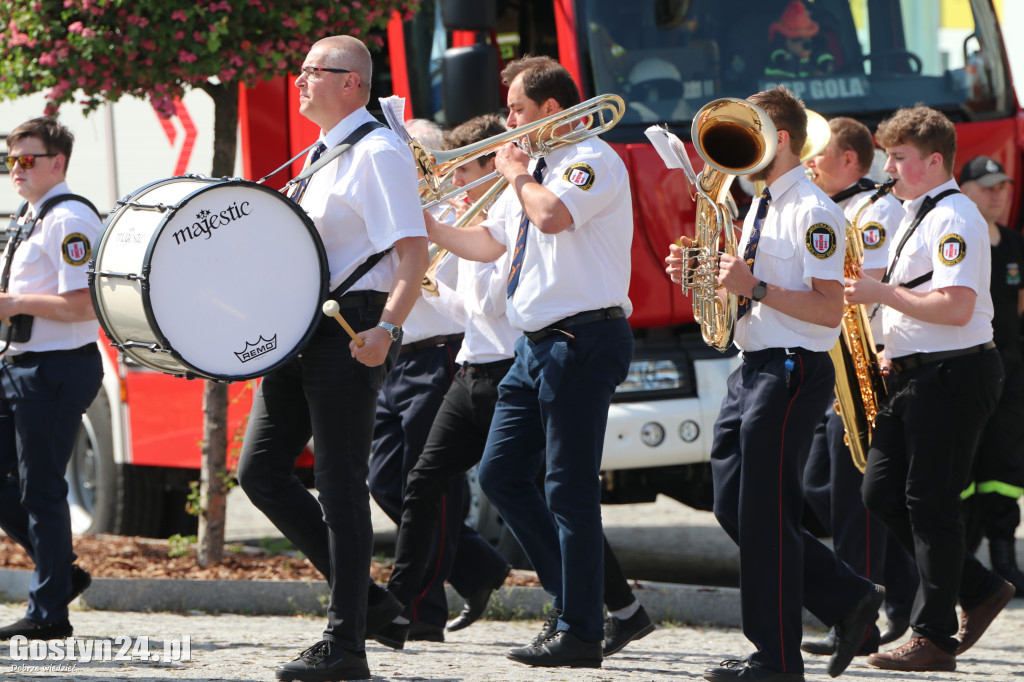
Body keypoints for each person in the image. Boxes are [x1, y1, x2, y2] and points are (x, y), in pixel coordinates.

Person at [383, 114, 654, 657]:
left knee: (565, 490)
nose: (510, 123)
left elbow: (548, 221)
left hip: (568, 340)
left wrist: (515, 174)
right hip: (517, 353)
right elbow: (488, 245)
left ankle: (583, 620)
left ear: (550, 107)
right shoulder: (531, 177)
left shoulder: (585, 161)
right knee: (501, 478)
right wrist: (429, 228)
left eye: (517, 111)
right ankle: (596, 609)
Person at [667, 86, 883, 682]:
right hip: (754, 366)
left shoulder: (814, 211)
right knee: (733, 504)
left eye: (751, 130)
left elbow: (827, 309)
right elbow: (743, 285)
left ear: (779, 137)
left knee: (764, 513)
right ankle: (847, 596)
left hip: (790, 368)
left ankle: (778, 658)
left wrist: (754, 287)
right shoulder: (759, 204)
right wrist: (704, 276)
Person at [235, 35, 429, 682]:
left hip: (352, 327)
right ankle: (372, 605)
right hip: (302, 328)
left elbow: (412, 253)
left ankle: (346, 647)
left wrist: (390, 331)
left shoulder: (378, 152)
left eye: (315, 71)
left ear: (353, 83)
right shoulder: (323, 153)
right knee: (260, 472)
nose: (300, 81)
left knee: (342, 487)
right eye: (300, 70)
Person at [844, 106, 1013, 672]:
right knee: (882, 492)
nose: (887, 167)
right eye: (887, 156)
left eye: (898, 158)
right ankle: (982, 586)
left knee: (932, 506)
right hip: (918, 371)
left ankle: (934, 637)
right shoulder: (916, 211)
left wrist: (879, 296)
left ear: (934, 161)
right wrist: (892, 341)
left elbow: (957, 305)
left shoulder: (955, 217)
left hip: (955, 372)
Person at [800, 116, 919, 656]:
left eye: (817, 154)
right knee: (822, 487)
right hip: (833, 363)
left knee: (853, 499)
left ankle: (860, 618)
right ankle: (900, 583)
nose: (809, 162)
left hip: (865, 366)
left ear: (850, 159)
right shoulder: (833, 205)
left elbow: (864, 286)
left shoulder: (875, 210)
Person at [365, 117, 470, 646]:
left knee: (431, 488)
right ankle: (478, 568)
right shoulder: (395, 212)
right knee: (384, 480)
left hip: (441, 353)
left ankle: (423, 610)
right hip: (398, 358)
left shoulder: (455, 211)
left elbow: (464, 294)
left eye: (411, 161)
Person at [0, 117, 103, 640]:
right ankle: (62, 575)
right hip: (19, 366)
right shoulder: (31, 214)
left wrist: (12, 303)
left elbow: (83, 305)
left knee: (41, 490)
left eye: (26, 160)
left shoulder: (70, 219)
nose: (15, 170)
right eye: (10, 160)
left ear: (57, 162)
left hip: (55, 368)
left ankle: (48, 616)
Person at [958, 155, 1024, 597]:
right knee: (961, 463)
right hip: (966, 367)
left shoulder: (1016, 244)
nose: (998, 194)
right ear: (964, 192)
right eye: (987, 187)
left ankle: (1004, 560)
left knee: (1004, 463)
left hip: (1009, 370)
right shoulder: (959, 241)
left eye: (1002, 186)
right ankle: (960, 560)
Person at [764, 1, 835, 79]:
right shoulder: (779, 54)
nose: (803, 44)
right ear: (783, 40)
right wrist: (783, 59)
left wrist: (824, 66)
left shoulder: (814, 54)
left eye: (807, 39)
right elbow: (777, 56)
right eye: (796, 39)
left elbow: (824, 58)